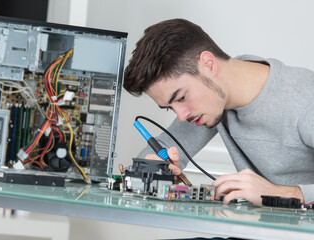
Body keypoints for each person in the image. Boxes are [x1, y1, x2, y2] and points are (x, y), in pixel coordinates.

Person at [123, 18, 314, 206]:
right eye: (169, 107)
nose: (181, 116)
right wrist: (158, 170)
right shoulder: (213, 99)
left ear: (208, 64)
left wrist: (282, 194)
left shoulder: (304, 97)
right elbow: (160, 149)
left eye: (181, 98)